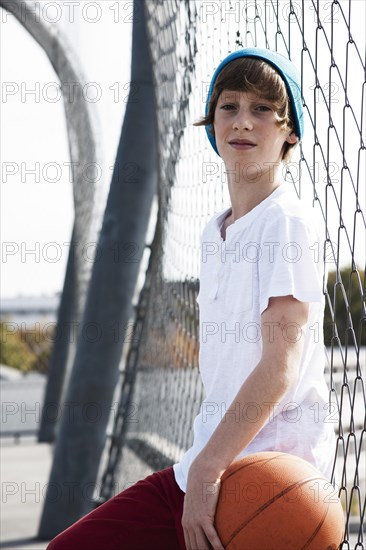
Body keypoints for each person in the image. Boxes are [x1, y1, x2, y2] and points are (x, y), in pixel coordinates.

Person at [47, 47, 336, 550]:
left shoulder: (285, 221)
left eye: (262, 109)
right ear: (212, 122)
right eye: (229, 106)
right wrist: (202, 467)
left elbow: (280, 365)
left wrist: (210, 469)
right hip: (204, 465)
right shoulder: (215, 230)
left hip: (269, 477)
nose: (243, 121)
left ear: (289, 131)